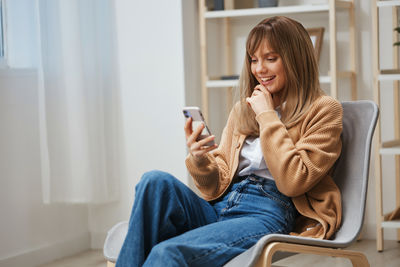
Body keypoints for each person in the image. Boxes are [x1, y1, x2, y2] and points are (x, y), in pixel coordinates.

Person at [116, 16, 343, 267]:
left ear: (296, 59)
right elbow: (214, 187)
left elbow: (293, 181)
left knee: (166, 252)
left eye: (270, 58)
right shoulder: (243, 110)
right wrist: (200, 159)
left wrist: (267, 115)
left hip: (267, 212)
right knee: (153, 181)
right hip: (223, 205)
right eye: (254, 60)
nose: (259, 70)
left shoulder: (324, 110)